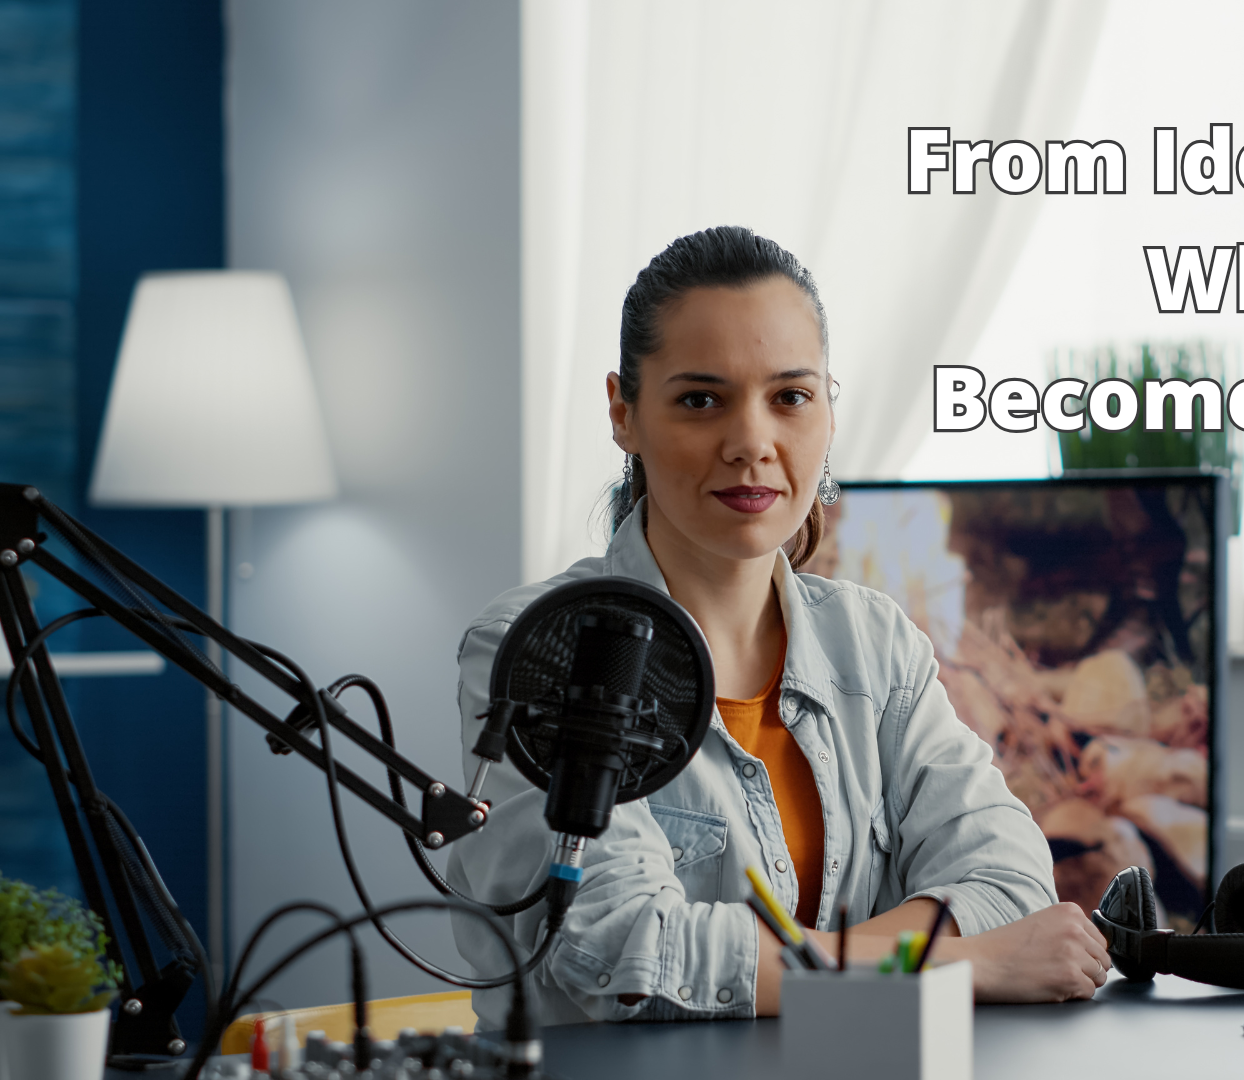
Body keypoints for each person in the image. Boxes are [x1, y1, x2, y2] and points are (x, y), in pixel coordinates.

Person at [449, 226, 1111, 1026]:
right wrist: (960, 963)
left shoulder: (875, 643)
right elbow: (622, 945)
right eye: (701, 399)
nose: (751, 444)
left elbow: (1008, 881)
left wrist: (831, 973)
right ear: (624, 412)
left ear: (830, 407)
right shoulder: (540, 644)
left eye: (790, 397)